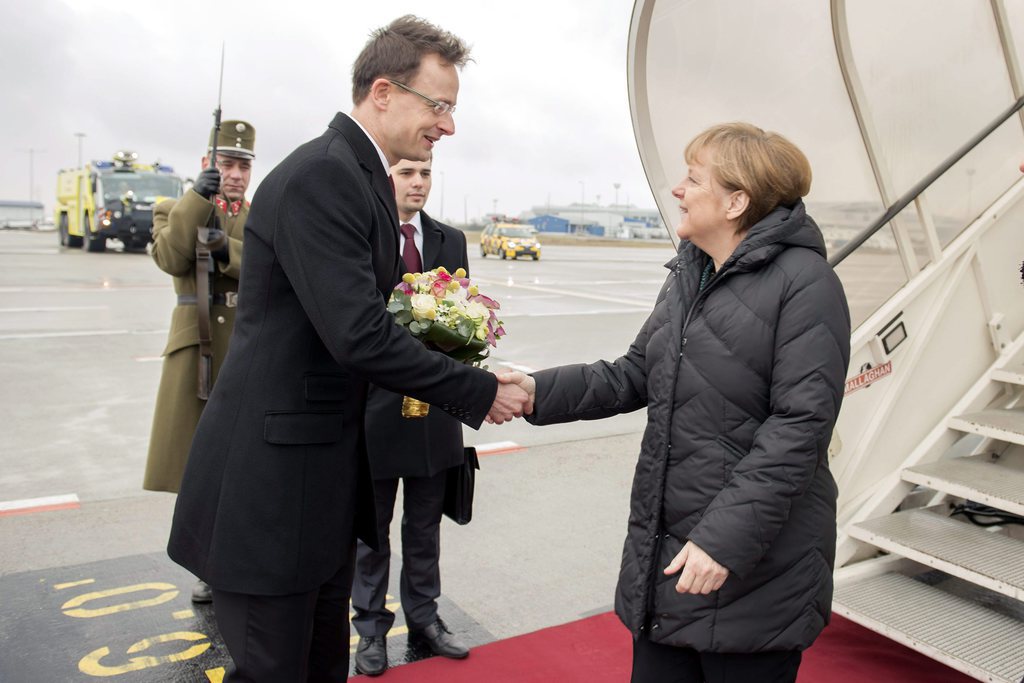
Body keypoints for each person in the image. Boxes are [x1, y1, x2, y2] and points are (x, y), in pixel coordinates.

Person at [167, 16, 529, 682]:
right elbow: (358, 333)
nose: (448, 125)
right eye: (440, 105)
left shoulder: (360, 175)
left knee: (319, 664)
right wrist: (479, 390)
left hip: (317, 487)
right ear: (384, 92)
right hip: (271, 492)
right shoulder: (326, 175)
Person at [501, 122, 851, 683]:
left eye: (693, 178)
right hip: (671, 564)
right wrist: (535, 390)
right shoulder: (690, 272)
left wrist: (722, 542)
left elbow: (801, 426)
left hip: (750, 569)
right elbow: (634, 373)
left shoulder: (806, 284)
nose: (677, 190)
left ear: (736, 201)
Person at [352, 156, 470, 676]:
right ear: (386, 179)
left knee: (425, 526)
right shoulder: (366, 233)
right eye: (406, 173)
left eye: (425, 174)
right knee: (371, 532)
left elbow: (465, 316)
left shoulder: (450, 240)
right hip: (375, 406)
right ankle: (371, 629)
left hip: (435, 410)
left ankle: (425, 617)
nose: (418, 183)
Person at [143, 119, 255, 603]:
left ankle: (238, 557)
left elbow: (265, 264)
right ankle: (203, 562)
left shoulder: (260, 216)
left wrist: (221, 249)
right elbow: (170, 255)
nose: (235, 174)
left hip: (245, 349)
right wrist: (197, 197)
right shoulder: (174, 208)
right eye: (226, 164)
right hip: (196, 351)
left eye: (243, 165)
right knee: (198, 466)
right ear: (208, 164)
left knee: (243, 464)